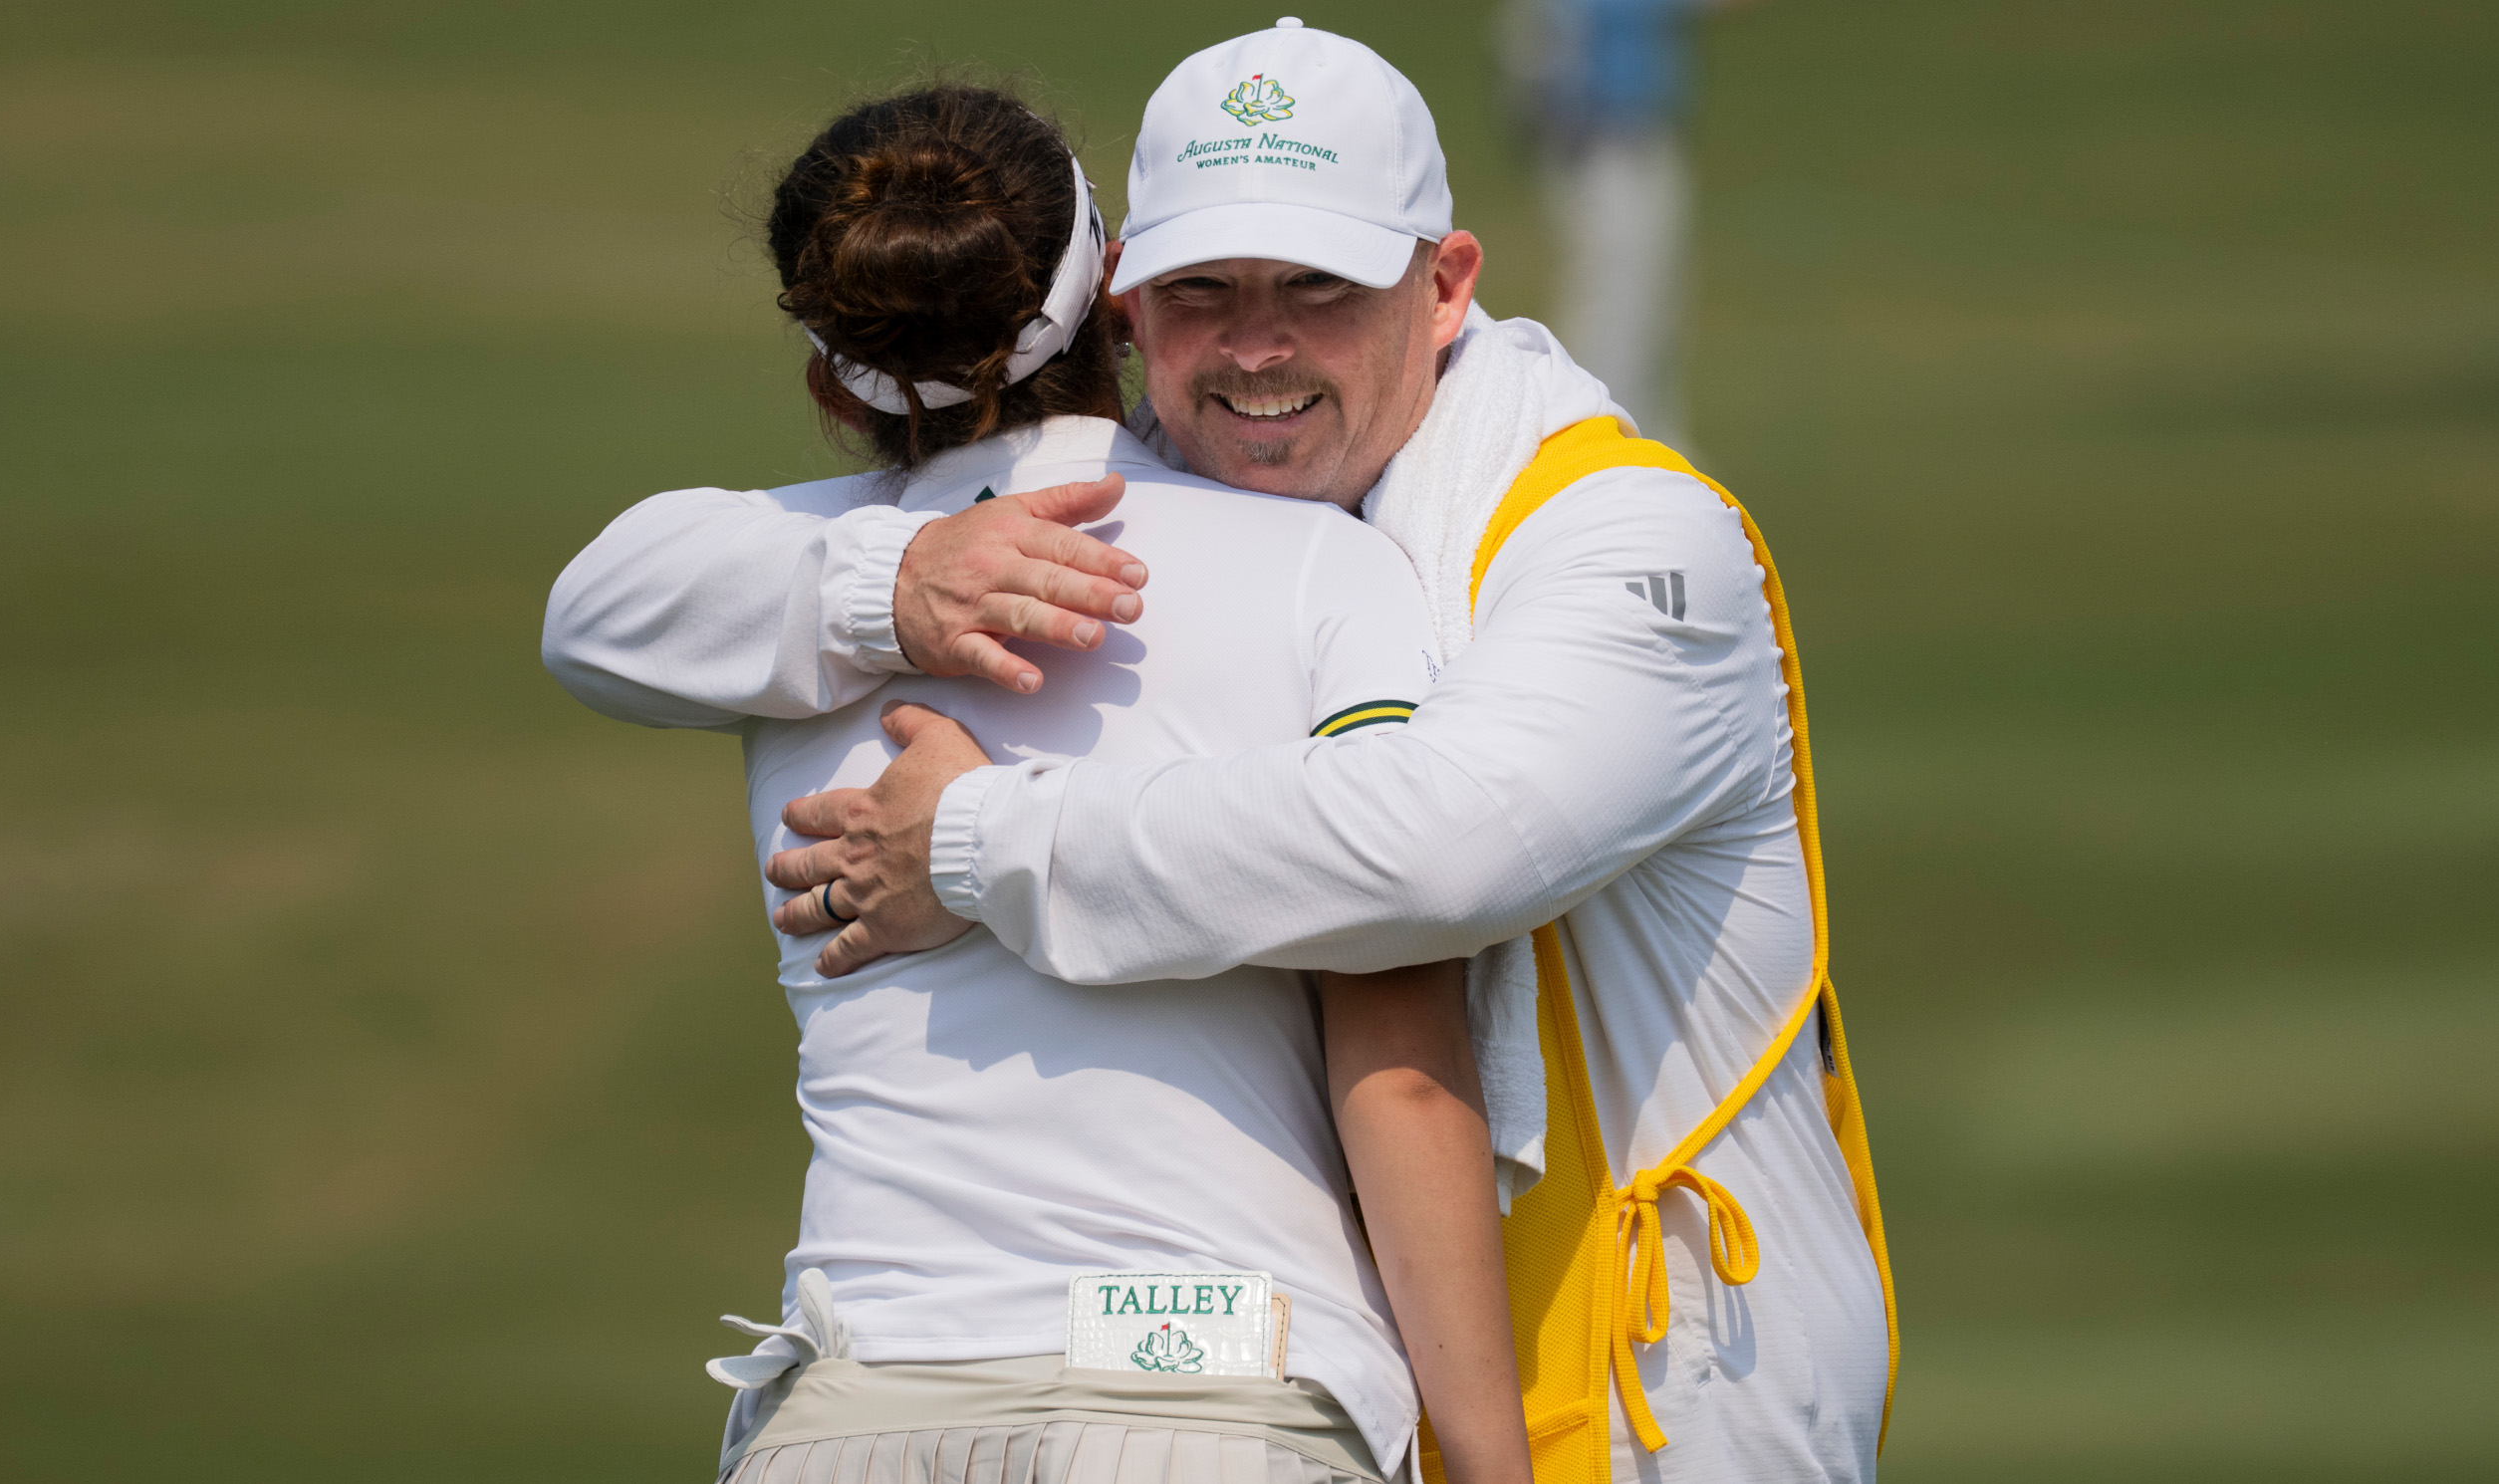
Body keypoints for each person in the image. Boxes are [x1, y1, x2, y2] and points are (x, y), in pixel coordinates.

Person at [547, 20, 1897, 1484]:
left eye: (1319, 287)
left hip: (1672, 1411)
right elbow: (600, 604)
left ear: (1447, 286)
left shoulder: (1633, 531)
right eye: (1206, 292)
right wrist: (893, 581)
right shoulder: (1227, 564)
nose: (1259, 346)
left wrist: (975, 837)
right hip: (1272, 1400)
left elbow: (1429, 852)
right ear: (1122, 304)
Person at [544, 85, 1532, 1484]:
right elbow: (1402, 1071)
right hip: (1216, 1399)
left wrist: (890, 583)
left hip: (853, 1407)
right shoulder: (1329, 567)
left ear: (832, 381)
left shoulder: (768, 597)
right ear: (1117, 295)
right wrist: (1492, 1462)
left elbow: (590, 609)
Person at [1496, 0, 1734, 445]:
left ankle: (1642, 435)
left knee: (1648, 298)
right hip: (1599, 146)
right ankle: (1592, 433)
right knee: (1612, 302)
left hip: (1635, 138)